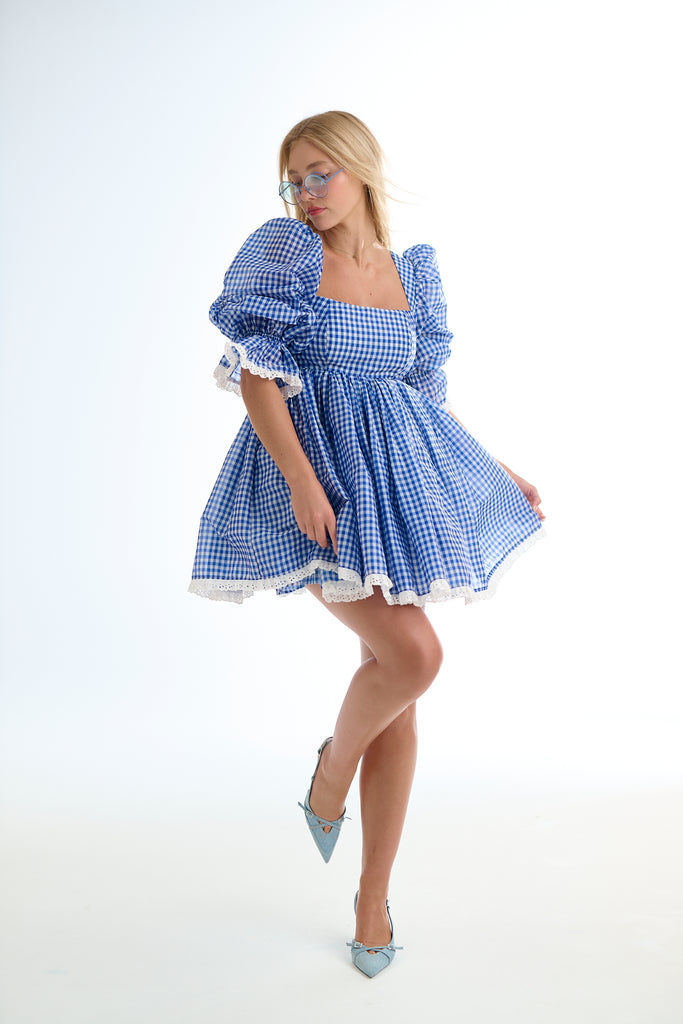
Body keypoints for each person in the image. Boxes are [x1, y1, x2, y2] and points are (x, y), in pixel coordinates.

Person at [189, 110, 545, 978]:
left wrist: (496, 466)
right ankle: (331, 772)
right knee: (414, 659)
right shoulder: (286, 254)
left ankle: (370, 898)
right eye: (293, 178)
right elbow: (258, 376)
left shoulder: (410, 273)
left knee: (400, 690)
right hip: (312, 489)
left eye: (320, 173)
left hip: (395, 489)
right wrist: (302, 480)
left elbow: (423, 397)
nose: (305, 192)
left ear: (361, 168)